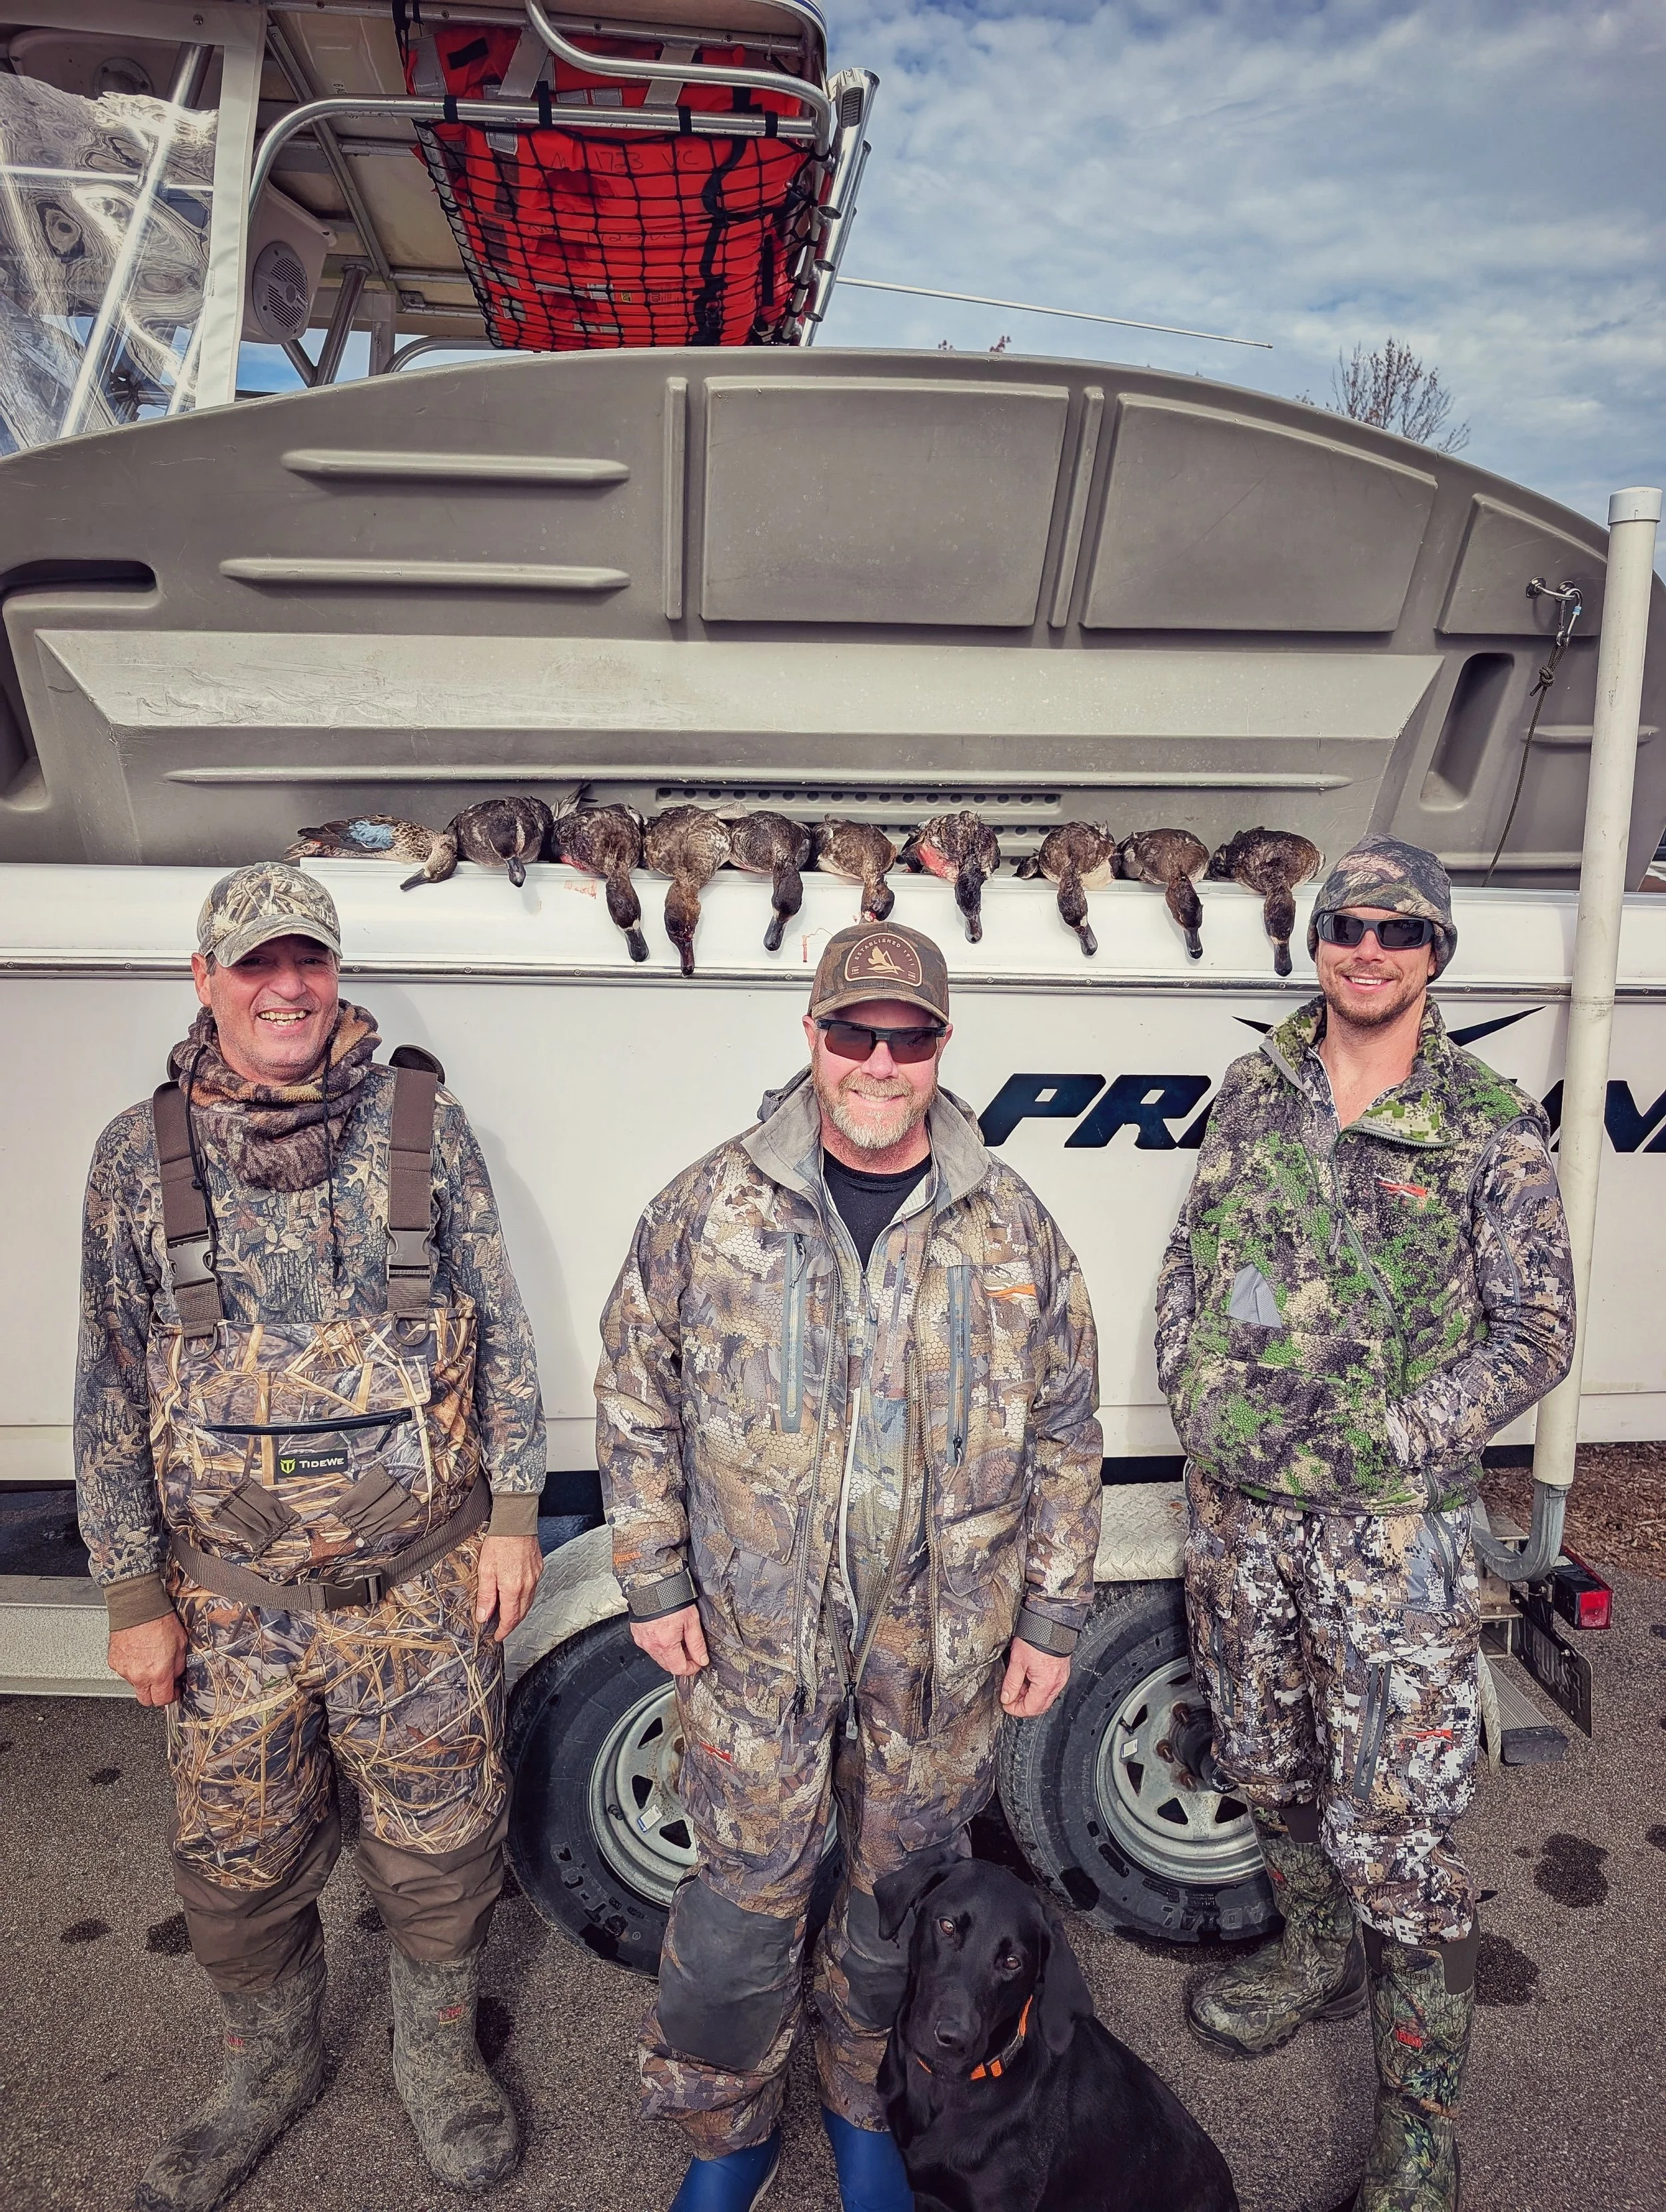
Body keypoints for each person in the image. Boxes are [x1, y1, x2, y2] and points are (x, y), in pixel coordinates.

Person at [596, 920, 1103, 2212]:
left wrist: (1050, 1613)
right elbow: (635, 1398)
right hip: (753, 1646)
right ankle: (728, 2133)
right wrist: (652, 1574)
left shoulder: (1010, 1227)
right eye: (853, 1032)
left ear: (940, 1045)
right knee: (734, 1922)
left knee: (895, 1912)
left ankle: (859, 2104)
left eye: (909, 1035)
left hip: (939, 1655)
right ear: (811, 1036)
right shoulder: (707, 1208)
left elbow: (1062, 1428)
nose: (879, 1059)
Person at [75, 863, 547, 2211]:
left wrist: (513, 1515)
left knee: (440, 1841)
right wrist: (127, 1591)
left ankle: (438, 2057)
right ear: (205, 979)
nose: (287, 986)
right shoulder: (136, 1153)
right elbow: (107, 1375)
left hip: (419, 1588)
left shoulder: (423, 1126)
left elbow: (500, 1326)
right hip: (226, 1604)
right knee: (235, 1856)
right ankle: (264, 2067)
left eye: (310, 960)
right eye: (256, 963)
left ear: (334, 975)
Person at [1155, 836, 1575, 2212]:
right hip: (1242, 1529)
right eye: (1345, 923)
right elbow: (1191, 1267)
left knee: (1397, 1827)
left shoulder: (1483, 1121)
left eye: (1397, 929)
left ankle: (1417, 2130)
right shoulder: (1251, 1094)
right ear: (1315, 939)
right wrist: (1195, 1386)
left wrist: (1396, 1431)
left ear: (1433, 952)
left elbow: (1533, 1333)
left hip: (1393, 1543)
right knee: (1268, 1763)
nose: (1367, 948)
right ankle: (1304, 1953)